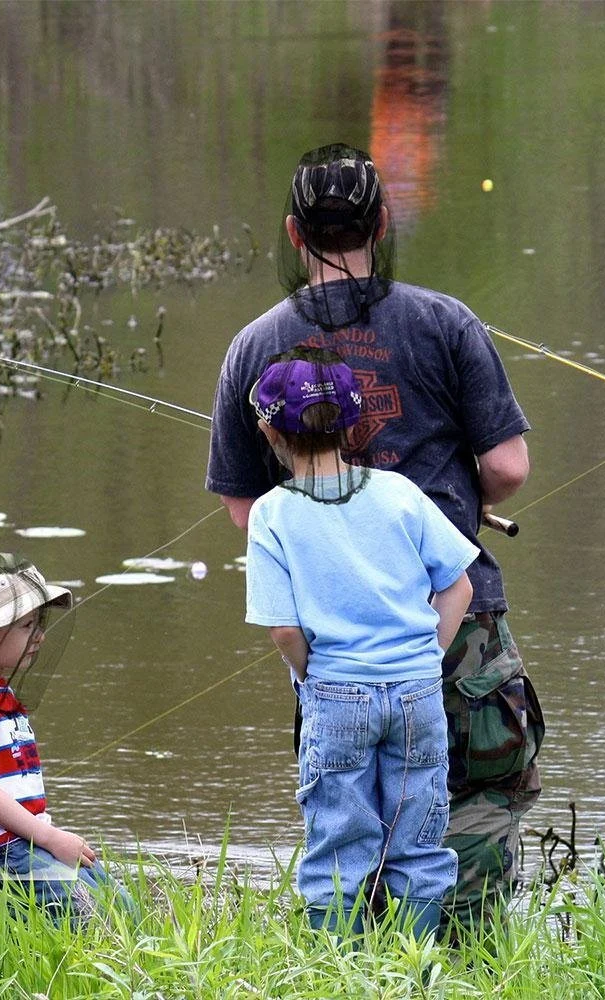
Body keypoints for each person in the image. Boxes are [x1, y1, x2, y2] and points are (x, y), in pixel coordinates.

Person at [206, 142, 544, 932]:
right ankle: (458, 959)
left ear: (294, 234)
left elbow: (244, 511)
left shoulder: (253, 348)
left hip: (334, 642)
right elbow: (508, 467)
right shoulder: (445, 322)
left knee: (348, 811)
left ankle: (352, 963)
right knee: (476, 795)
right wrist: (454, 503)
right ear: (384, 223)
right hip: (456, 615)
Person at [245, 348, 478, 937]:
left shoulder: (271, 514)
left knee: (338, 845)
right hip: (418, 694)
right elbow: (459, 587)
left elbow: (282, 630)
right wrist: (427, 658)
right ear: (354, 425)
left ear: (270, 429)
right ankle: (417, 967)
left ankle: (337, 969)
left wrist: (310, 673)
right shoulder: (400, 492)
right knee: (419, 840)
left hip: (335, 693)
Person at [0, 551, 127, 922]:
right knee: (85, 911)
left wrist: (48, 839)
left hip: (23, 843)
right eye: (26, 625)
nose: (40, 636)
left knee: (120, 902)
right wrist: (50, 839)